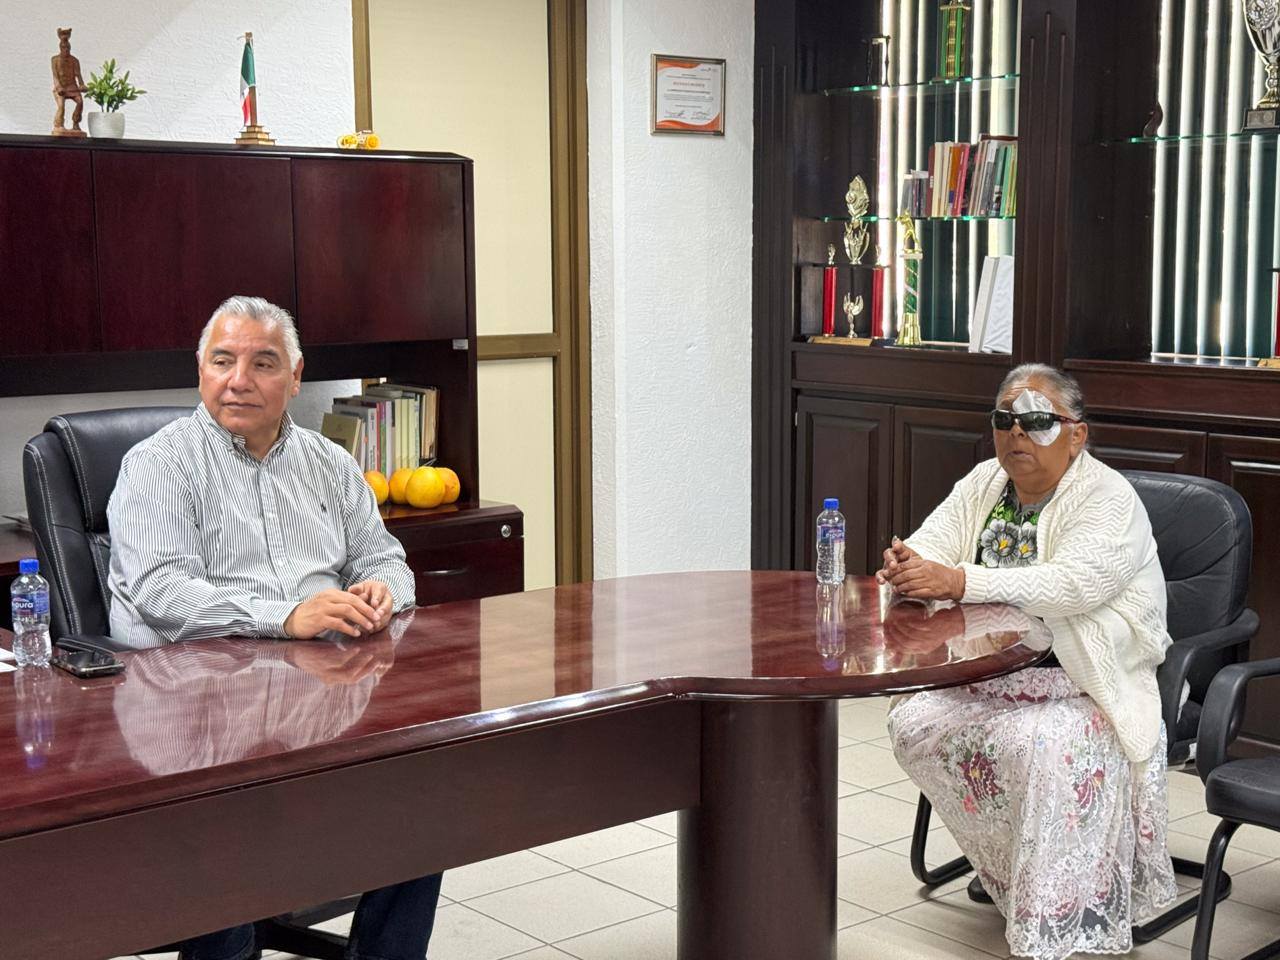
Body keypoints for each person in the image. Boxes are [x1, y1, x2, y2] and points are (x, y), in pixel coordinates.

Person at [106, 295, 440, 960]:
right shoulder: (159, 464)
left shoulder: (330, 463)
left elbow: (385, 559)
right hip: (196, 721)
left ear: (295, 377)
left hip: (319, 707)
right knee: (223, 835)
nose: (239, 380)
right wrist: (287, 618)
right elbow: (161, 589)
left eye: (262, 363)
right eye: (222, 361)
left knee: (426, 808)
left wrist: (380, 592)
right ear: (200, 370)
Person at [879, 363, 1177, 960]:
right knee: (913, 722)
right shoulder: (984, 482)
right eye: (1004, 420)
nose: (1016, 433)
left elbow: (1073, 585)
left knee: (1038, 745)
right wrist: (911, 565)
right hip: (991, 675)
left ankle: (1063, 907)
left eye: (1037, 421)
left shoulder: (1108, 498)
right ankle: (1008, 869)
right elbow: (933, 542)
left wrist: (959, 580)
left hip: (1086, 683)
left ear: (1076, 434)